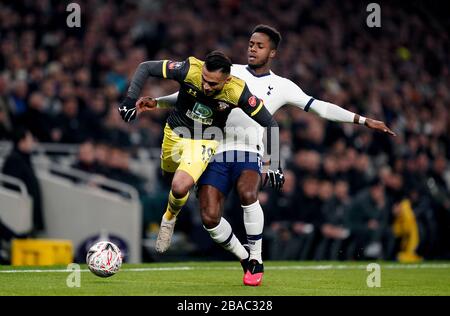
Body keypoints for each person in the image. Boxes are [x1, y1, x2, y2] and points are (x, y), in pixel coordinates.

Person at [146, 25, 396, 285]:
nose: (252, 48)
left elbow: (319, 108)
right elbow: (189, 95)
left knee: (248, 192)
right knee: (210, 218)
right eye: (251, 43)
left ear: (273, 53)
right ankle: (245, 258)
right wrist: (158, 101)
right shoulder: (232, 73)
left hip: (249, 152)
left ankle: (257, 257)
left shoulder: (282, 86)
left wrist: (363, 120)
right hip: (214, 149)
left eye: (260, 46)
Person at [117, 51, 280, 259]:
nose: (206, 86)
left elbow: (271, 123)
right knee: (170, 182)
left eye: (213, 84)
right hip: (174, 134)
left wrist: (274, 162)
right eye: (204, 80)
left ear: (227, 80)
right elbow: (146, 67)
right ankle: (177, 201)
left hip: (204, 141)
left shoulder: (238, 92)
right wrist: (130, 99)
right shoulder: (189, 69)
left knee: (180, 185)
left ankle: (168, 219)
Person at [2, 127, 44, 234]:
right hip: (21, 212)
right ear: (21, 142)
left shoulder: (25, 158)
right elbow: (11, 187)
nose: (32, 142)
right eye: (30, 139)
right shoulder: (14, 160)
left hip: (30, 210)